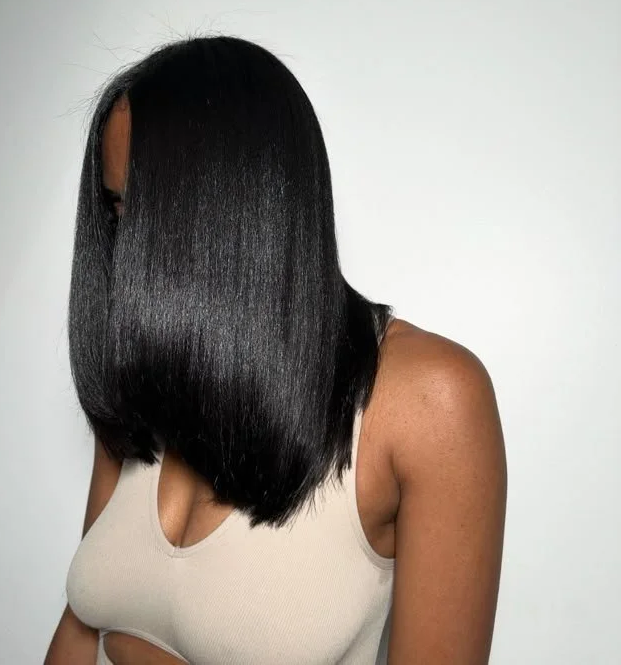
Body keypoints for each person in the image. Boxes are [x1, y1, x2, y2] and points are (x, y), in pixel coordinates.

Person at [44, 36, 506, 665]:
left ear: (238, 207)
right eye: (120, 209)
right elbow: (80, 630)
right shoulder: (140, 373)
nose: (125, 247)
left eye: (151, 215)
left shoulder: (429, 397)